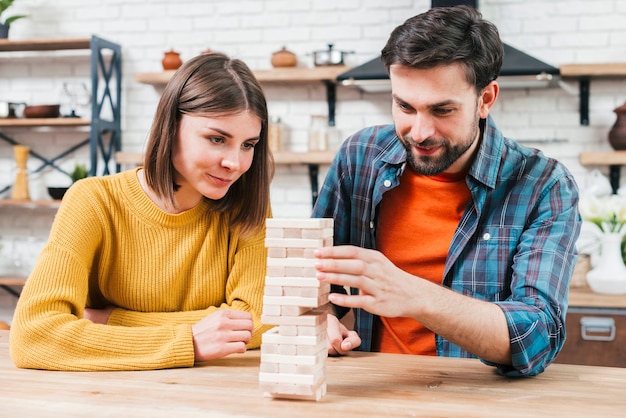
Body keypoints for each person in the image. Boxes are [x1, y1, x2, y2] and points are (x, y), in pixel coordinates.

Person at [313, 5, 581, 377]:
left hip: (477, 403)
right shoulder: (360, 157)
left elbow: (537, 335)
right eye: (404, 106)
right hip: (373, 395)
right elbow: (316, 282)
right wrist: (320, 319)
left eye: (442, 110)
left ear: (485, 99)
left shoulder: (543, 185)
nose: (419, 132)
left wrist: (415, 296)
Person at [10, 52, 274, 371]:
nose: (235, 163)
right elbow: (34, 335)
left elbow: (261, 319)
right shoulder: (93, 200)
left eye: (248, 144)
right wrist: (188, 340)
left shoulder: (248, 207)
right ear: (171, 125)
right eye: (217, 139)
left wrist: (111, 320)